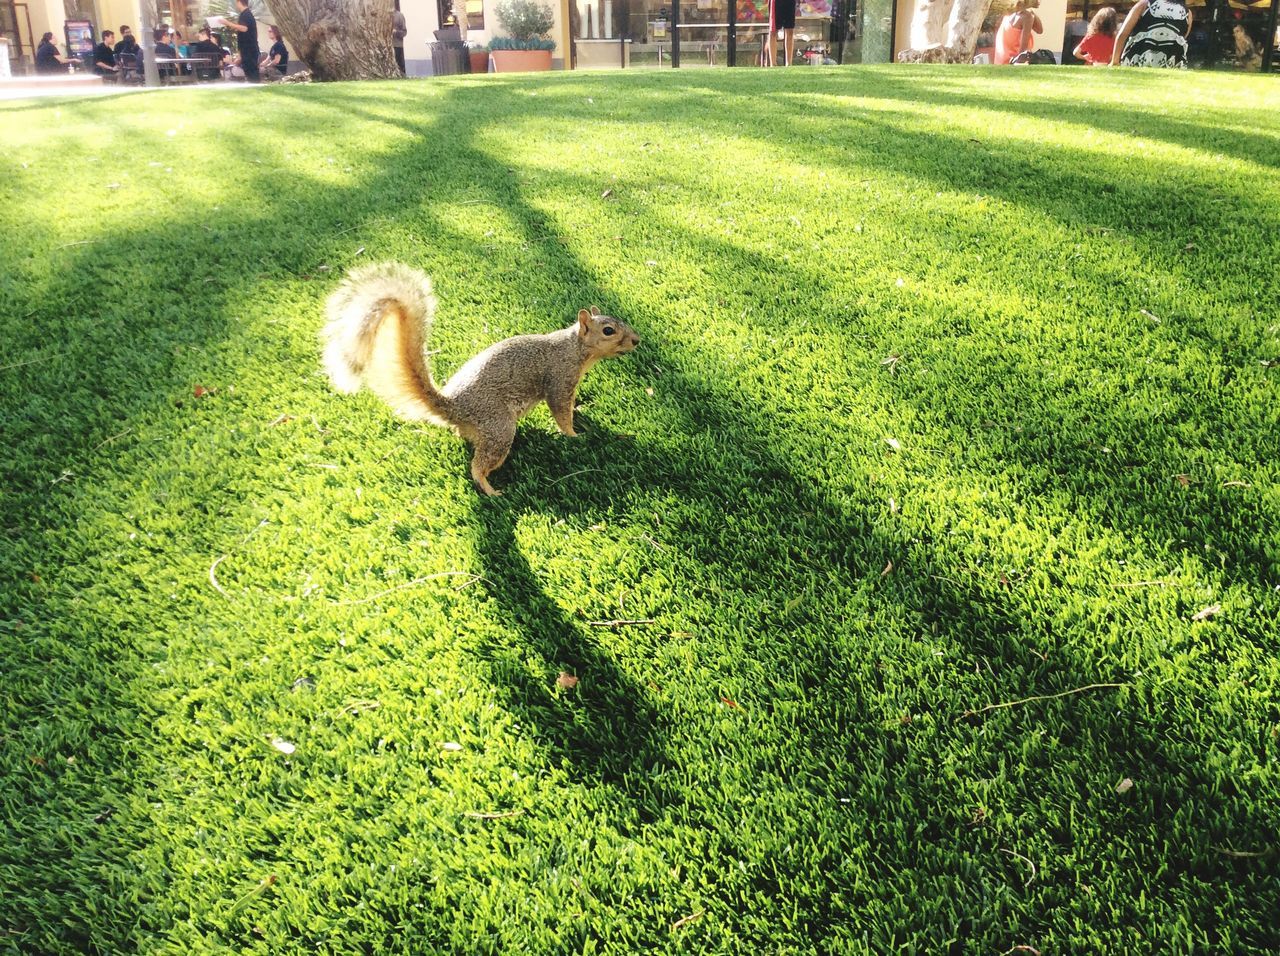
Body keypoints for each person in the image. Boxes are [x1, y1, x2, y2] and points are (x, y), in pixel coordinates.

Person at [1111, 0, 1190, 67]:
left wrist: (1114, 61)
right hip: (1171, 64)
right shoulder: (1187, 13)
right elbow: (1182, 38)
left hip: (1138, 60)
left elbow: (1123, 33)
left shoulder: (1144, 5)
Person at [218, 0, 260, 82]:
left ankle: (255, 84)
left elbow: (244, 28)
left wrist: (228, 23)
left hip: (249, 48)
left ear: (239, 2)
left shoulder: (246, 14)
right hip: (246, 48)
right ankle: (252, 84)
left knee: (251, 69)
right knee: (248, 69)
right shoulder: (244, 14)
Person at [994, 0, 1043, 64]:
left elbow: (1039, 30)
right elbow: (1023, 52)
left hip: (1000, 61)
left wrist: (1031, 12)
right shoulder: (1027, 16)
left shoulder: (1008, 13)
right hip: (1013, 63)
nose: (1040, 1)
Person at [392, 0, 408, 75]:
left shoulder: (399, 15)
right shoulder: (382, 15)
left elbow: (404, 32)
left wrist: (396, 32)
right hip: (384, 46)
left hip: (397, 45)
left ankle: (402, 76)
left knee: (399, 64)